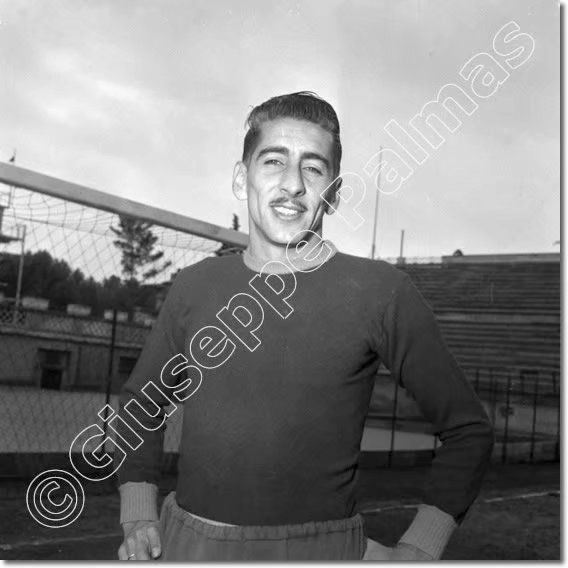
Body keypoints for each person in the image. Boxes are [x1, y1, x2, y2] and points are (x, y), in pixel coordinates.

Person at [115, 91, 494, 561]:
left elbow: (468, 430)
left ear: (333, 193)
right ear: (242, 178)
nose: (292, 183)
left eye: (313, 168)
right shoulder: (195, 285)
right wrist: (137, 513)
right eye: (274, 161)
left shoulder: (380, 292)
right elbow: (140, 403)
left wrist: (419, 548)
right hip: (188, 545)